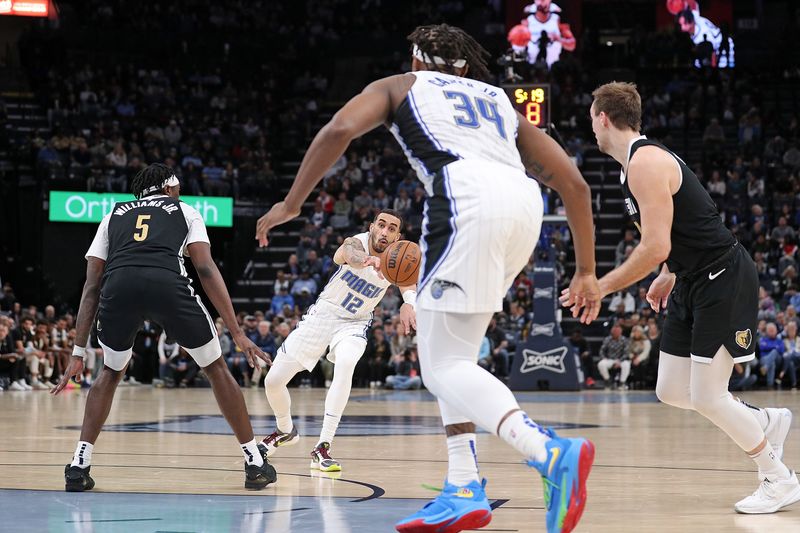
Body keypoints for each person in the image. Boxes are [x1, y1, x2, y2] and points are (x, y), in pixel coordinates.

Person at [255, 24, 599, 533]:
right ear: (465, 65)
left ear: (415, 59)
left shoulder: (400, 85)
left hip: (466, 201)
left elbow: (337, 130)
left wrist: (292, 202)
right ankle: (463, 486)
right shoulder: (498, 99)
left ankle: (548, 451)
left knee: (441, 367)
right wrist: (587, 269)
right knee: (447, 354)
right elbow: (572, 181)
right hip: (525, 206)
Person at [578, 82, 797, 513]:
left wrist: (600, 285)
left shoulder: (646, 162)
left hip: (724, 276)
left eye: (591, 119)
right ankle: (765, 421)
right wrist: (668, 272)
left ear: (603, 117)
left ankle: (779, 478)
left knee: (708, 395)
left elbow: (656, 244)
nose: (592, 129)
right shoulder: (631, 168)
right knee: (672, 389)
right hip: (691, 278)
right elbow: (676, 235)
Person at [52, 163, 276, 492]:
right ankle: (254, 462)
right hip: (166, 284)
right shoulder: (184, 209)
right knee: (214, 367)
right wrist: (238, 333)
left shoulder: (113, 214)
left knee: (110, 372)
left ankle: (79, 464)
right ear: (169, 188)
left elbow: (91, 287)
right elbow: (205, 268)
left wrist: (77, 351)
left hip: (119, 288)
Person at [260, 209, 417, 472]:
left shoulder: (397, 255)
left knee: (346, 362)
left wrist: (409, 303)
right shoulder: (357, 242)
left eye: (392, 228)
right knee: (272, 382)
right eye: (381, 225)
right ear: (372, 227)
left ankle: (323, 445)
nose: (385, 231)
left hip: (355, 322)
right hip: (323, 315)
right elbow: (348, 254)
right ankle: (285, 430)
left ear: (397, 236)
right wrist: (368, 260)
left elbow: (407, 282)